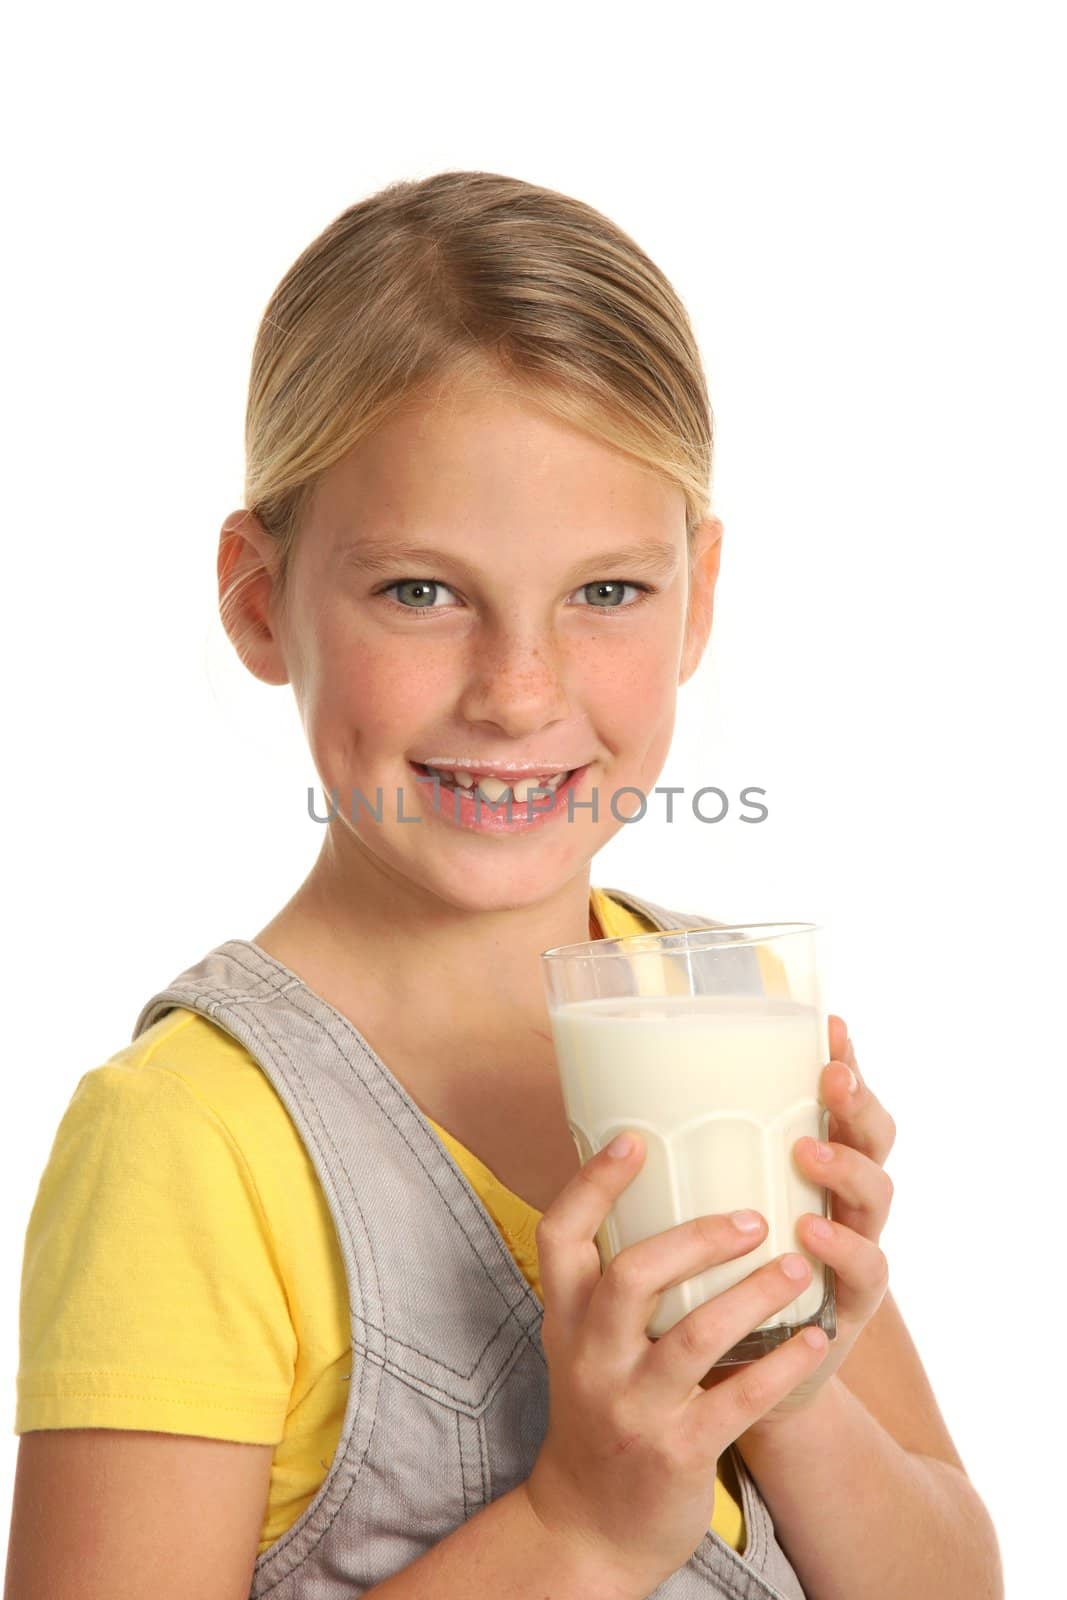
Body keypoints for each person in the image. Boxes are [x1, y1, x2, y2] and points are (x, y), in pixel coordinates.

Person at [4, 171, 1002, 1600]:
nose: (519, 693)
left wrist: (788, 1393)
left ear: (698, 599)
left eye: (606, 593)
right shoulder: (190, 1141)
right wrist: (580, 1530)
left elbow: (951, 1579)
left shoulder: (723, 1007)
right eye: (422, 591)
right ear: (255, 600)